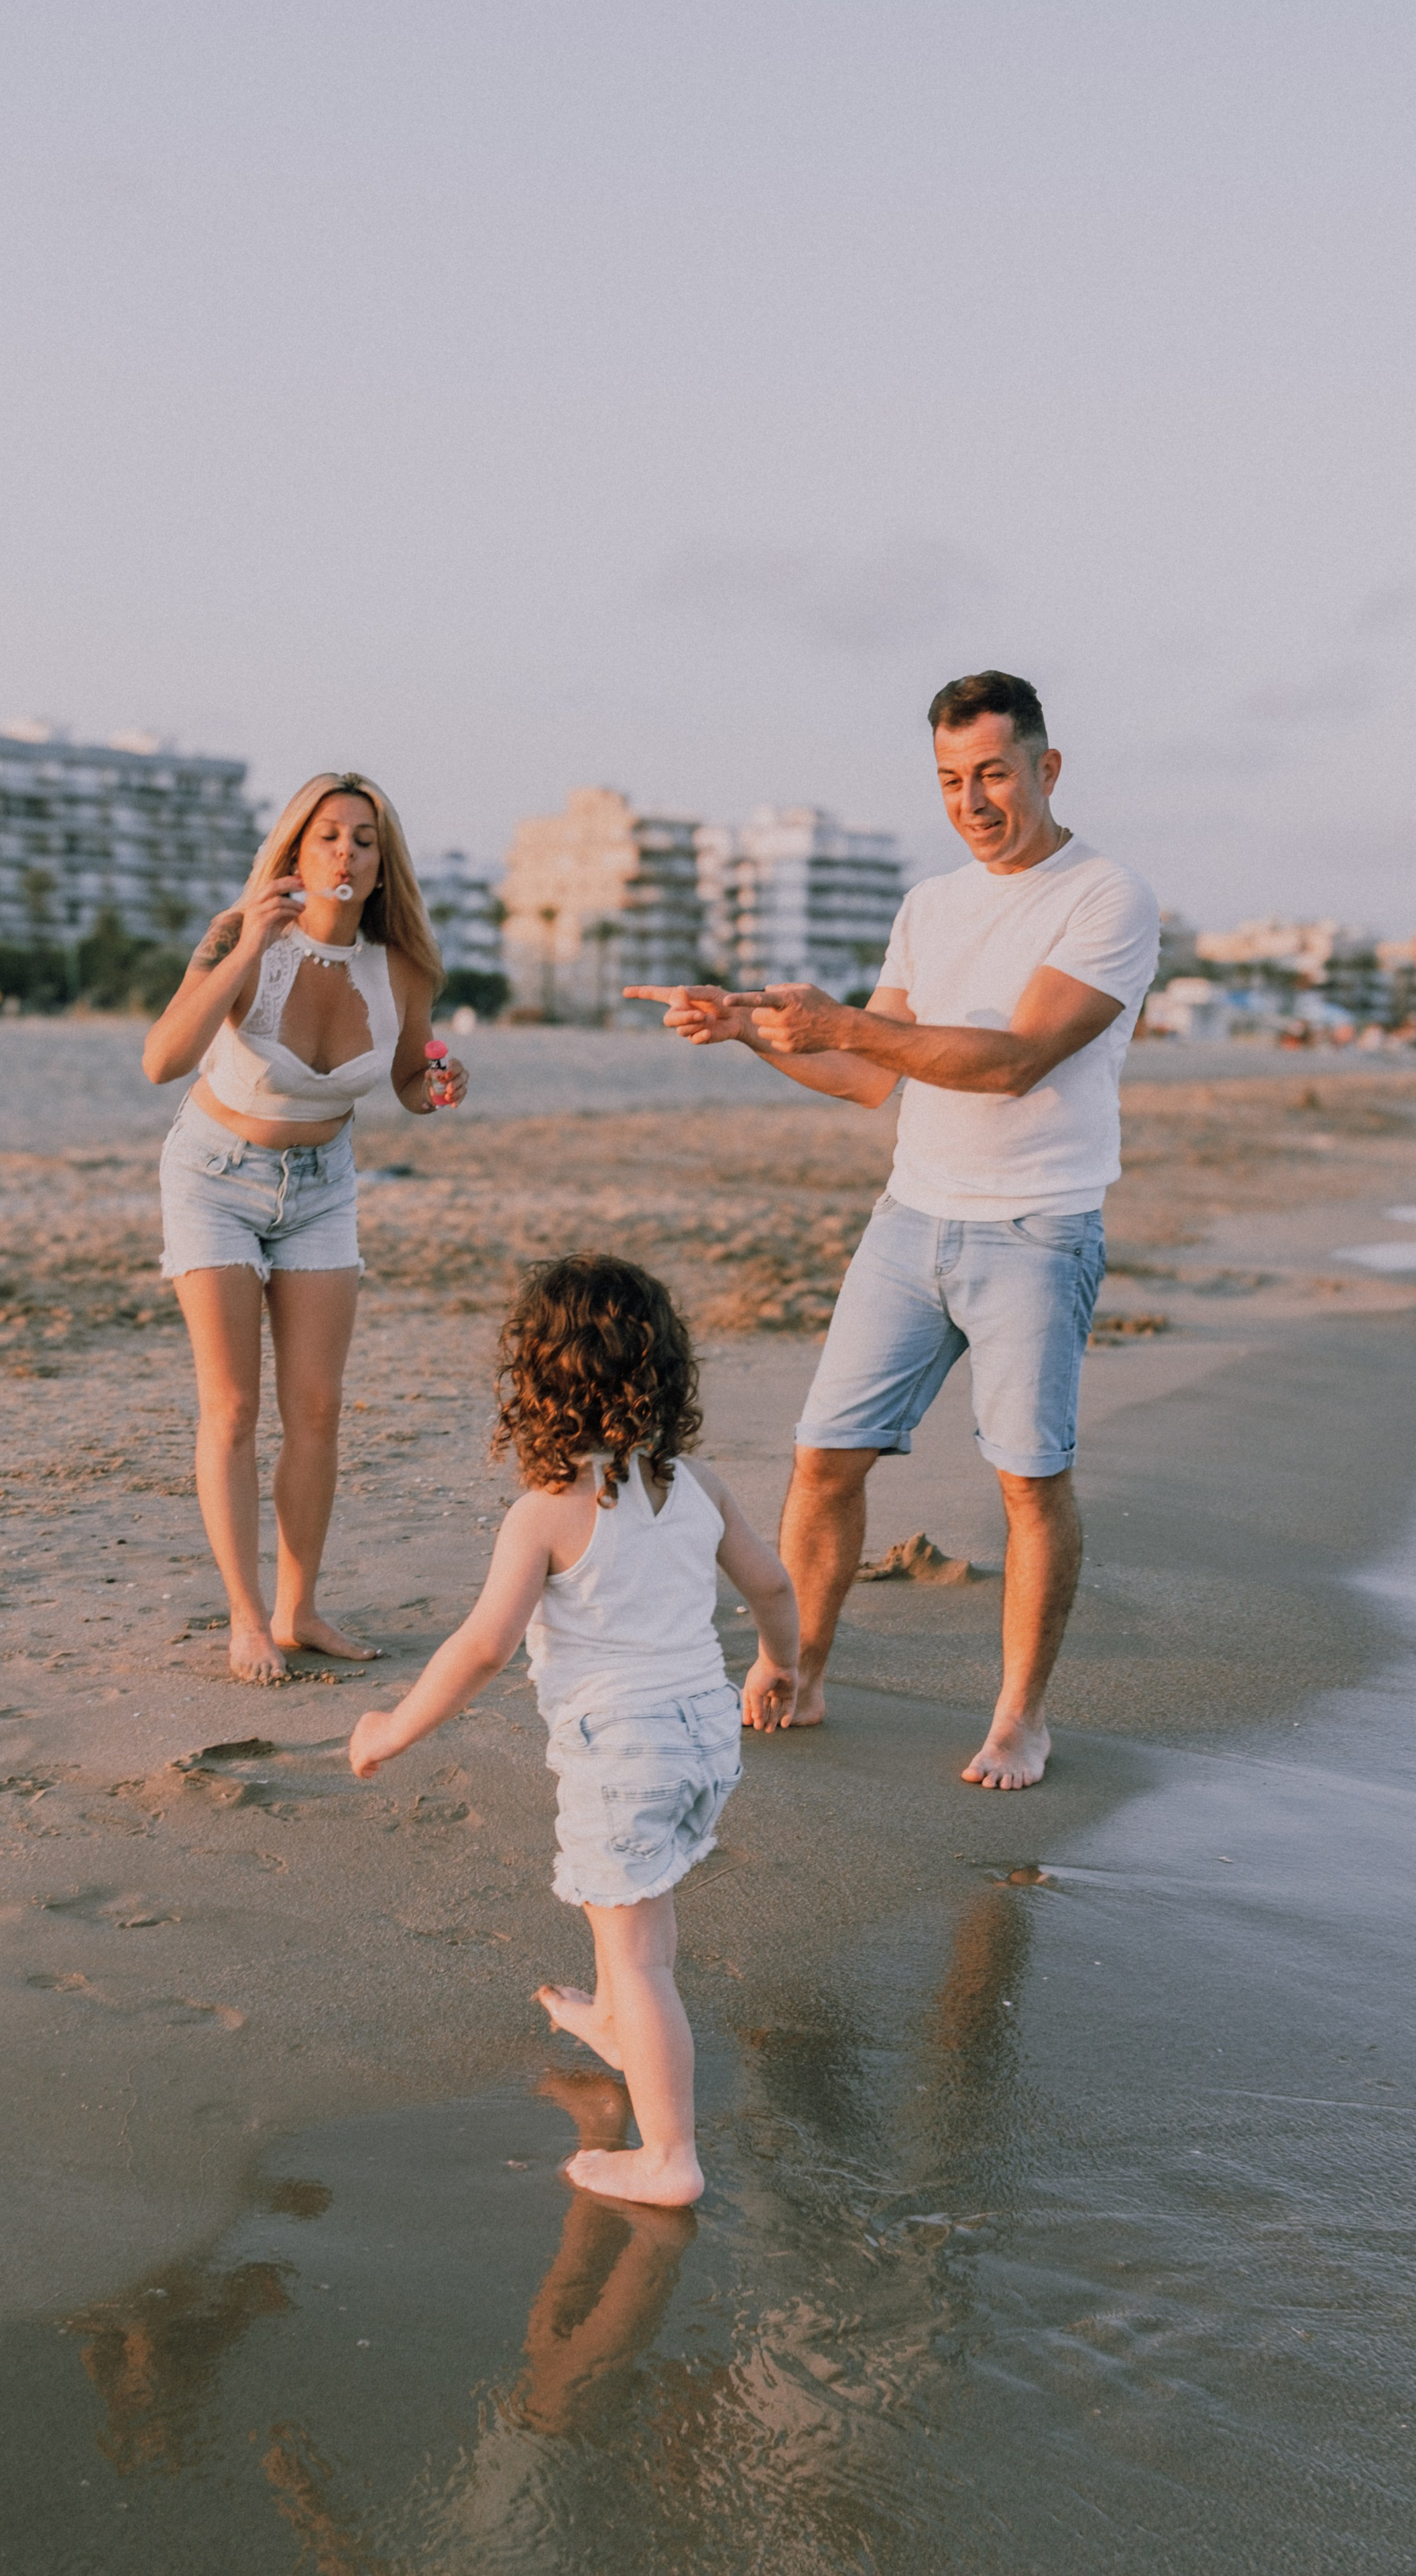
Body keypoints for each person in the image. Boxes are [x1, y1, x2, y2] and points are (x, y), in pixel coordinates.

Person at [627, 669, 1161, 1791]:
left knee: (1028, 1479)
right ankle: (804, 1669)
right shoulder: (932, 903)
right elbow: (870, 1077)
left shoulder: (1105, 897)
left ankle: (1020, 1718)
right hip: (910, 1219)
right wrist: (750, 1029)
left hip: (1035, 1230)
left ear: (1047, 770)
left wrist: (850, 1022)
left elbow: (1014, 1061)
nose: (972, 801)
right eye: (951, 780)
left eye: (994, 775)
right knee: (824, 1459)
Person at [349, 1253, 799, 2206]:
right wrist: (779, 1663)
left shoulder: (545, 1512)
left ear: (535, 1385)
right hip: (704, 1739)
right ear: (666, 1374)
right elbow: (772, 1583)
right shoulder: (698, 1486)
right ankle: (614, 2026)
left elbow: (481, 1648)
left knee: (642, 1951)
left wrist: (393, 1727)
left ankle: (669, 2154)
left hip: (625, 1751)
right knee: (630, 1906)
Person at [143, 770, 469, 1685]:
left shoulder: (402, 967)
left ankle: (298, 1607)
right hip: (214, 1174)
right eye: (326, 834)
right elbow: (162, 1058)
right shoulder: (243, 943)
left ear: (380, 867)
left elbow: (409, 1078)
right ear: (293, 852)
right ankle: (245, 1617)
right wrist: (244, 943)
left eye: (363, 839)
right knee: (234, 1406)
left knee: (318, 1408)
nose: (344, 851)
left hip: (324, 1182)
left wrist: (441, 1084)